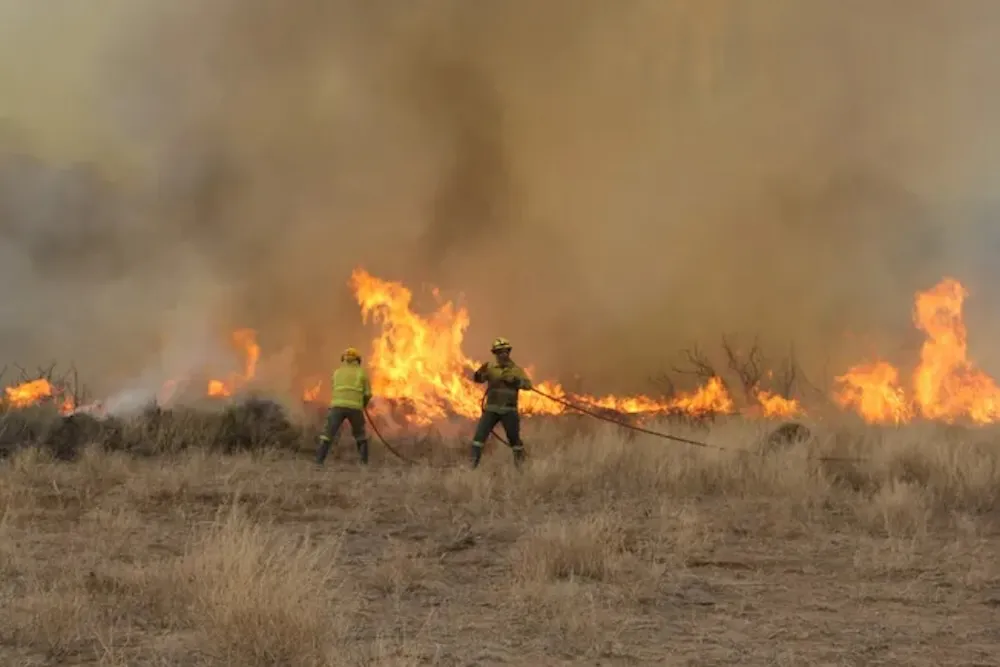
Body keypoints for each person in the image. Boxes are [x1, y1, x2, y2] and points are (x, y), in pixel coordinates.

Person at [469, 337, 532, 469]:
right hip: (491, 409)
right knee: (479, 438)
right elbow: (478, 380)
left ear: (509, 353)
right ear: (495, 354)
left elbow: (527, 385)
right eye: (499, 352)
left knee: (514, 440)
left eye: (505, 352)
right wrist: (479, 373)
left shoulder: (516, 370)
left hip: (509, 410)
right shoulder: (491, 368)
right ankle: (472, 467)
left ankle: (521, 468)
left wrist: (515, 381)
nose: (503, 354)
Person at [316, 346, 372, 466]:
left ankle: (319, 462)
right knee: (360, 435)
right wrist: (363, 404)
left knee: (327, 434)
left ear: (344, 359)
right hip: (355, 408)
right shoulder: (362, 373)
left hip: (337, 407)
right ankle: (364, 464)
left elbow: (334, 388)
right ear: (358, 360)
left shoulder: (337, 372)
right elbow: (368, 393)